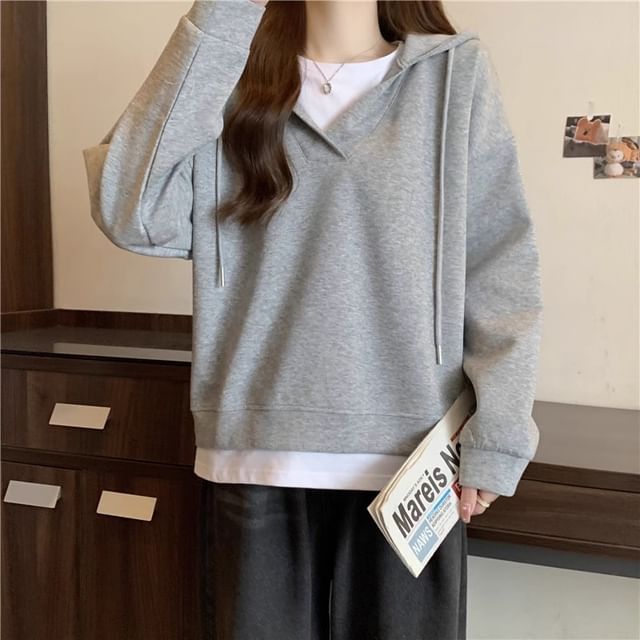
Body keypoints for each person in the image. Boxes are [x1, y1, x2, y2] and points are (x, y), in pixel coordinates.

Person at [81, 1, 544, 638]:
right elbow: (128, 212)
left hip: (412, 461)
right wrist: (224, 14)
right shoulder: (227, 80)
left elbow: (501, 267)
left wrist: (500, 433)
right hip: (255, 453)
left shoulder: (454, 75)